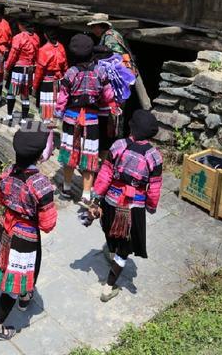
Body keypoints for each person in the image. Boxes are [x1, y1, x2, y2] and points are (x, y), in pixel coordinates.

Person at [0, 125, 58, 342]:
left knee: (7, 264)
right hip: (26, 234)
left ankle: (25, 294)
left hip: (6, 227)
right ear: (39, 156)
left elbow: (1, 200)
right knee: (17, 277)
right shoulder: (41, 184)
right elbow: (47, 224)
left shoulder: (6, 174)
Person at [88, 110, 163, 302]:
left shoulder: (119, 146)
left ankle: (111, 253)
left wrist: (96, 197)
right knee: (125, 247)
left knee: (110, 230)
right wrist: (151, 206)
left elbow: (105, 173)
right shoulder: (154, 157)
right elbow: (154, 186)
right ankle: (108, 287)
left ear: (131, 127)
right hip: (133, 208)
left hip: (111, 201)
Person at [55, 34, 117, 203]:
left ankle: (66, 188)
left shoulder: (71, 73)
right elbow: (108, 95)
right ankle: (86, 194)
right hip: (91, 118)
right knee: (89, 155)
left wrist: (58, 114)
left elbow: (62, 98)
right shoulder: (100, 72)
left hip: (71, 118)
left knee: (70, 152)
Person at [3, 14, 39, 125]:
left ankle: (9, 116)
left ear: (21, 25)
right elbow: (37, 55)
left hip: (18, 69)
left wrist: (7, 68)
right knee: (25, 94)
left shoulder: (18, 38)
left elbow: (13, 55)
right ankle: (23, 119)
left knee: (11, 93)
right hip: (29, 69)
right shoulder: (36, 37)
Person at [33, 28, 68, 126]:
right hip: (59, 81)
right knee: (55, 112)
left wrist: (35, 87)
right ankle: (51, 138)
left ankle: (47, 139)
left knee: (46, 114)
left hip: (47, 84)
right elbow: (65, 67)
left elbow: (39, 71)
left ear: (45, 35)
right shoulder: (61, 47)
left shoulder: (43, 50)